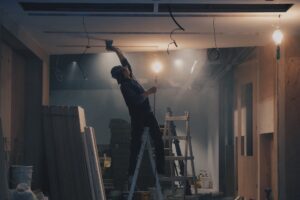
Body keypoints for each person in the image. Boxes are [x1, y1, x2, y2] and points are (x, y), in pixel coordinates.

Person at [107, 42, 165, 180]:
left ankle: (160, 170)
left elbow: (124, 61)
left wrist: (116, 49)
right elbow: (137, 101)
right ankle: (131, 172)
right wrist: (148, 92)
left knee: (158, 139)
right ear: (122, 74)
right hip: (138, 118)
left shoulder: (130, 77)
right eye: (124, 69)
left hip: (148, 114)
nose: (126, 68)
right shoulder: (125, 87)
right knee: (136, 146)